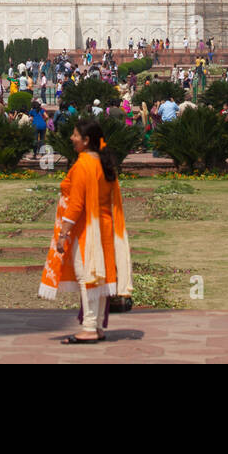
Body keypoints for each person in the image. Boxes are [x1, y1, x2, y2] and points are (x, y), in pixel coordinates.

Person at [40, 120, 132, 344]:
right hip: (106, 226)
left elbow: (76, 204)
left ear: (86, 140)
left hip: (88, 229)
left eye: (75, 135)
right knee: (99, 276)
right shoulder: (105, 162)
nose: (72, 139)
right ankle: (97, 325)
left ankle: (90, 327)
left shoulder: (83, 164)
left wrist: (63, 234)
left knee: (87, 276)